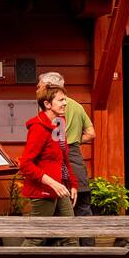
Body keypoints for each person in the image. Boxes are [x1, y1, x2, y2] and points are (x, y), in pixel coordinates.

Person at [38, 70, 95, 216]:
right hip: (75, 157)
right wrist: (75, 139)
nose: (38, 89)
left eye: (40, 86)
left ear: (49, 87)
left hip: (55, 159)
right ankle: (85, 240)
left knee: (57, 211)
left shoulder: (48, 108)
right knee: (82, 208)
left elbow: (50, 138)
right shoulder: (77, 106)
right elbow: (91, 134)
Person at [20, 83, 77, 218]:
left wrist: (73, 183)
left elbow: (63, 157)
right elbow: (25, 164)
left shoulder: (59, 123)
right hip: (43, 190)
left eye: (65, 99)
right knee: (37, 238)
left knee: (70, 235)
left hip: (60, 187)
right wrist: (52, 183)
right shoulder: (38, 128)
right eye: (61, 100)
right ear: (47, 104)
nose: (65, 103)